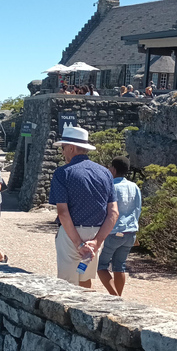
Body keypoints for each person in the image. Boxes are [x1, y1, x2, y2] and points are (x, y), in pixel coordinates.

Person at [49, 126, 119, 288]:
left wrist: (79, 243)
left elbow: (63, 213)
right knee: (84, 279)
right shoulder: (105, 173)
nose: (62, 152)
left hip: (71, 233)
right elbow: (113, 213)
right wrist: (96, 241)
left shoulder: (62, 173)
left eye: (63, 147)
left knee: (67, 283)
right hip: (96, 232)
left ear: (71, 148)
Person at [97, 156, 142, 297]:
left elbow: (104, 210)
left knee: (101, 266)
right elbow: (138, 209)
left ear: (113, 169)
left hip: (114, 232)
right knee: (120, 266)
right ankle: (119, 296)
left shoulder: (111, 187)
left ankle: (115, 297)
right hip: (130, 232)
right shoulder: (134, 187)